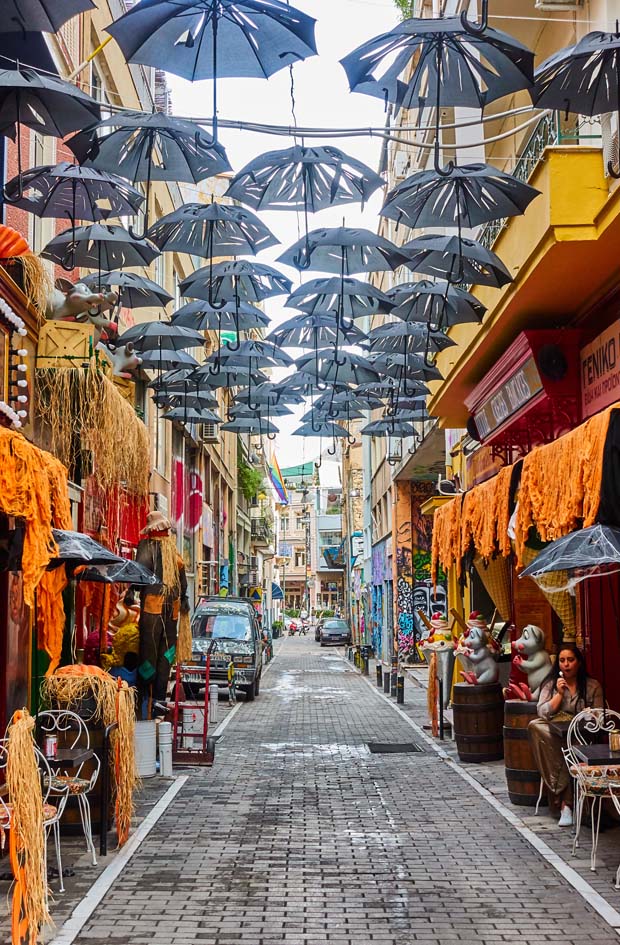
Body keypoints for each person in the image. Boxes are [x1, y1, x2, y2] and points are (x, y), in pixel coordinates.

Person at [529, 643, 604, 828]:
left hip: (581, 734)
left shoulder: (592, 685)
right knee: (535, 726)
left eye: (570, 660)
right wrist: (559, 694)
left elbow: (600, 716)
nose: (566, 665)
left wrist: (590, 715)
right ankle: (566, 803)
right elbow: (543, 712)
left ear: (578, 662)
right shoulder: (551, 683)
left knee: (571, 750)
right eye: (562, 661)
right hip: (556, 733)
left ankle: (566, 805)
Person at [126, 511, 189, 719]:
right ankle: (157, 702)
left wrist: (131, 591)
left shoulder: (147, 548)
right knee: (165, 655)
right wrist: (184, 603)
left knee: (151, 654)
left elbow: (139, 574)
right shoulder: (174, 552)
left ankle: (147, 702)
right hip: (171, 613)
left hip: (154, 612)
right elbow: (183, 585)